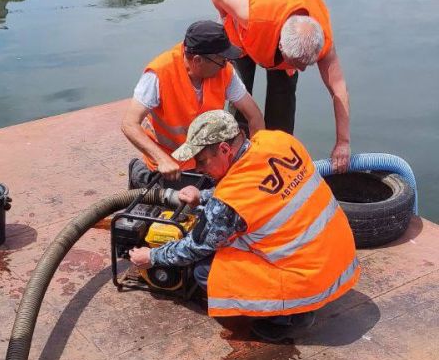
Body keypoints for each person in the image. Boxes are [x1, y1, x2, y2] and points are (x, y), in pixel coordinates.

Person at [129, 110, 359, 341]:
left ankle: (288, 316)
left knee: (206, 271)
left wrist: (152, 256)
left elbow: (196, 246)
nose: (198, 169)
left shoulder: (232, 200)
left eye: (202, 161)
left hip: (310, 279)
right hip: (338, 257)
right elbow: (261, 187)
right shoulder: (278, 140)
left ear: (224, 150)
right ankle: (297, 300)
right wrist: (205, 195)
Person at [210, 0, 351, 173]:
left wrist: (343, 142)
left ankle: (278, 157)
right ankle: (237, 159)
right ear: (282, 47)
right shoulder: (252, 15)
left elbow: (338, 88)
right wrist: (225, 24)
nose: (301, 70)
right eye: (297, 63)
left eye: (307, 64)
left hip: (280, 24)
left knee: (283, 97)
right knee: (241, 95)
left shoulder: (321, 36)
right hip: (243, 35)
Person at [121, 20, 264, 188]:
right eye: (221, 60)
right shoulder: (160, 74)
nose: (226, 65)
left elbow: (254, 116)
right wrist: (162, 160)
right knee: (185, 205)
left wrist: (255, 161)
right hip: (173, 163)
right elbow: (129, 124)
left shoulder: (224, 72)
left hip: (209, 158)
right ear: (198, 60)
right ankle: (141, 174)